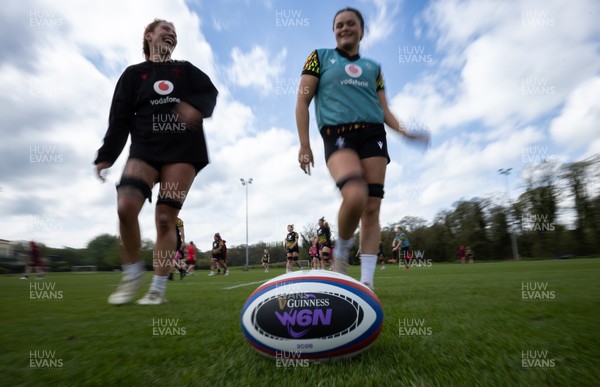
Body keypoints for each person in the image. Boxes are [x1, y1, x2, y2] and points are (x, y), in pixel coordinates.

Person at [296, 7, 429, 290]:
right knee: (354, 194)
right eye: (339, 25)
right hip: (338, 134)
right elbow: (302, 102)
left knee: (371, 208)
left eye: (351, 24)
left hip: (373, 135)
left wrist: (405, 132)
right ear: (334, 31)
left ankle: (367, 284)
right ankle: (341, 251)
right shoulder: (319, 57)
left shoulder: (373, 68)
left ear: (362, 30)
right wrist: (304, 144)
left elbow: (384, 110)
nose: (345, 28)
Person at [94, 19, 218, 305]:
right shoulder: (133, 75)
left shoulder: (185, 70)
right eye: (166, 29)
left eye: (175, 33)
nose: (171, 34)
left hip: (183, 150)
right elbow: (119, 120)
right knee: (126, 206)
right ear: (148, 36)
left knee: (165, 219)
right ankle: (132, 273)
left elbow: (209, 93)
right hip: (145, 149)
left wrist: (195, 107)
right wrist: (106, 156)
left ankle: (158, 288)